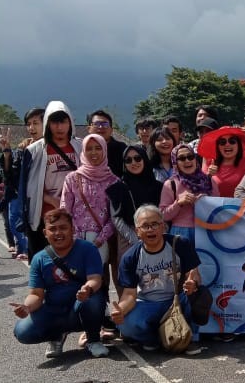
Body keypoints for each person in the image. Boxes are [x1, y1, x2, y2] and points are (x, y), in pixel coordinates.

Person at [12, 208, 109, 359]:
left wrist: (87, 289)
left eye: (63, 228)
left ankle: (93, 340)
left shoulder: (87, 249)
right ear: (45, 233)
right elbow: (36, 294)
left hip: (80, 306)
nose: (58, 233)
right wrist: (27, 307)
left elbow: (96, 279)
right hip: (55, 310)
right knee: (22, 331)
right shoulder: (39, 258)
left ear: (72, 229)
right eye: (53, 229)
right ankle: (56, 336)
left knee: (93, 299)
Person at [112, 205, 201, 353]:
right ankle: (153, 339)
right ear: (137, 232)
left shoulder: (181, 244)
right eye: (145, 226)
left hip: (178, 299)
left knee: (200, 296)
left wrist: (193, 283)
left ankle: (190, 338)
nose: (150, 229)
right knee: (125, 324)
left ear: (163, 226)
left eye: (155, 224)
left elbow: (194, 274)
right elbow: (129, 295)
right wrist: (120, 311)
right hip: (149, 303)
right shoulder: (130, 257)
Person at [18, 100, 83, 259]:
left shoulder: (80, 146)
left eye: (63, 121)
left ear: (70, 123)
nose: (59, 127)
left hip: (75, 214)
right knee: (45, 263)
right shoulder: (35, 150)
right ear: (47, 123)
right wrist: (50, 199)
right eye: (55, 122)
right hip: (44, 216)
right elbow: (25, 185)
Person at [59, 134, 118, 266]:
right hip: (75, 240)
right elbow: (64, 211)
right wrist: (76, 237)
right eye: (89, 149)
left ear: (104, 150)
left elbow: (115, 216)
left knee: (98, 279)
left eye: (98, 148)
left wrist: (100, 239)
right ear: (83, 152)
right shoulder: (72, 178)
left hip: (102, 241)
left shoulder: (113, 181)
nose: (94, 152)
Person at [0, 106, 44, 260]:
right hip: (24, 195)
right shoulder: (25, 149)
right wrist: (6, 151)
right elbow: (11, 172)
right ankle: (25, 248)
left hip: (49, 199)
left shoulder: (56, 147)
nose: (31, 127)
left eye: (36, 123)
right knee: (14, 222)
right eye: (29, 124)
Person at [107, 143, 163, 265]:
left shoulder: (158, 186)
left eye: (138, 158)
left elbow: (164, 212)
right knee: (131, 278)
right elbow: (116, 218)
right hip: (129, 238)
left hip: (157, 235)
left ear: (144, 159)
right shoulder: (117, 188)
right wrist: (136, 238)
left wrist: (157, 233)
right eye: (128, 160)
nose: (133, 163)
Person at [160, 143, 219, 243]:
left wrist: (207, 200)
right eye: (182, 158)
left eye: (190, 157)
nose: (187, 161)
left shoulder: (208, 180)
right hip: (181, 233)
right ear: (175, 162)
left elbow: (218, 207)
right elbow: (162, 215)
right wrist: (178, 203)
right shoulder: (170, 184)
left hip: (207, 230)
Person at [198, 126, 245, 197]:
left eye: (232, 141)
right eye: (222, 142)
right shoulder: (210, 162)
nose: (227, 144)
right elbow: (200, 188)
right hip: (216, 207)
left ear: (238, 145)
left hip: (242, 207)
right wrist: (209, 175)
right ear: (218, 146)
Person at [87, 109, 126, 174]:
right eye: (96, 124)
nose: (100, 127)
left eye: (105, 124)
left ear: (111, 130)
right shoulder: (81, 148)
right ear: (89, 129)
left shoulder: (122, 149)